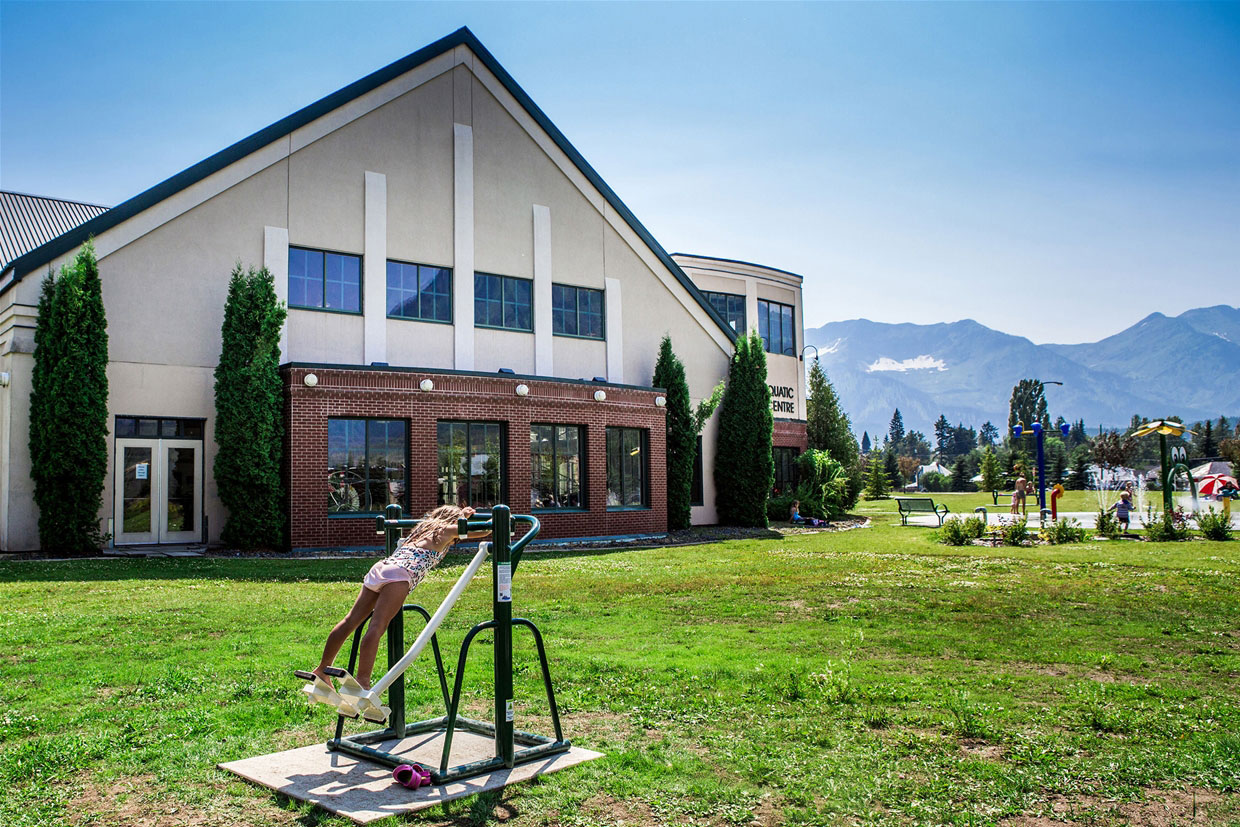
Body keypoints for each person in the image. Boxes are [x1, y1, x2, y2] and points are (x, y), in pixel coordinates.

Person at [309, 504, 491, 691]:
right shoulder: (446, 530)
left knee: (350, 620)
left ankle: (322, 669)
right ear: (453, 521)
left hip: (381, 568)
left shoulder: (422, 529)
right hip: (400, 575)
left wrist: (463, 516)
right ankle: (362, 681)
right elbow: (481, 532)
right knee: (377, 626)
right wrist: (493, 519)